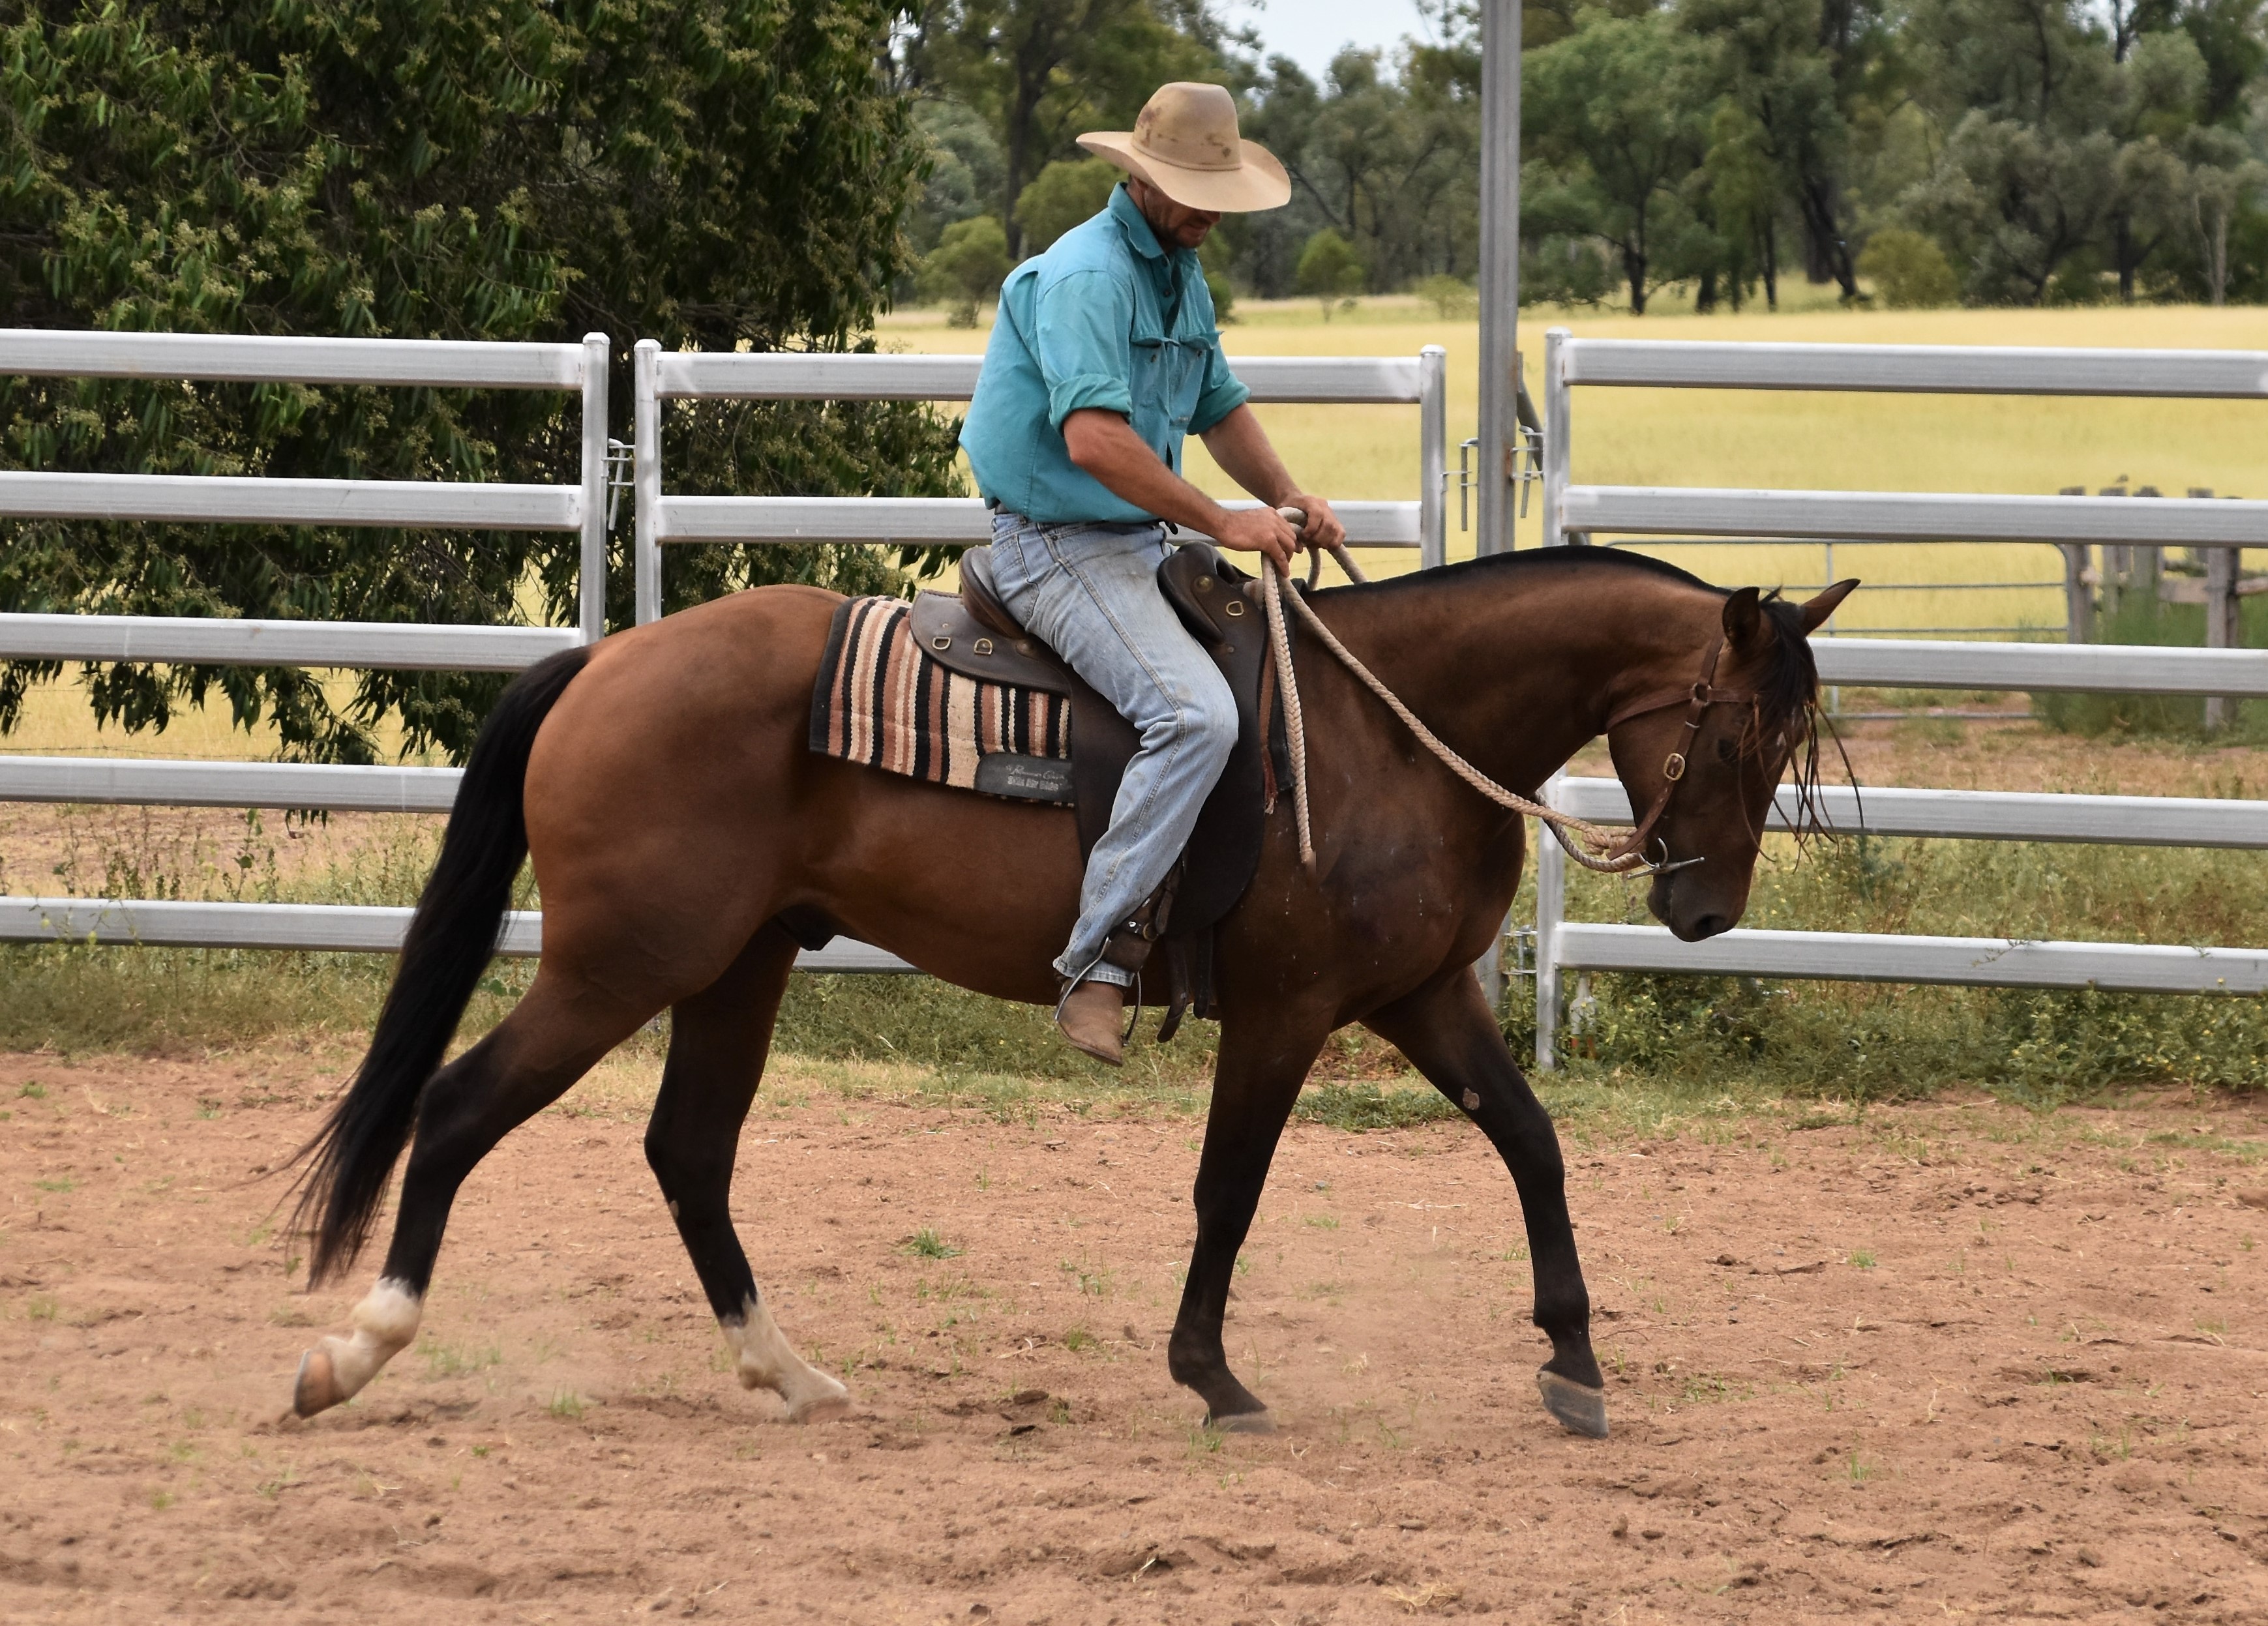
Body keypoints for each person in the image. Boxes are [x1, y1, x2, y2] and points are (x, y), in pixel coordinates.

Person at [959, 81, 1346, 1065]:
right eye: (1194, 191)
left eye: (1220, 193)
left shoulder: (1179, 271)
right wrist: (1223, 519)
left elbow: (1215, 407)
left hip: (1135, 542)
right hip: (1055, 544)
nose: (1211, 211)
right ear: (1141, 178)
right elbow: (1093, 441)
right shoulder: (1088, 275)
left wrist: (1287, 494)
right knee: (1195, 717)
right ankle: (1098, 962)